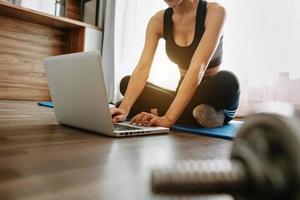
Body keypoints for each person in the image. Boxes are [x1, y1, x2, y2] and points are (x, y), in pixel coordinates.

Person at [110, 0, 240, 128]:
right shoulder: (158, 20)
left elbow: (198, 68)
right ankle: (194, 115)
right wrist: (124, 109)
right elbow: (142, 68)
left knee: (228, 80)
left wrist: (168, 119)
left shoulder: (215, 12)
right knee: (126, 83)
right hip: (183, 91)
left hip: (214, 92)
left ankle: (218, 115)